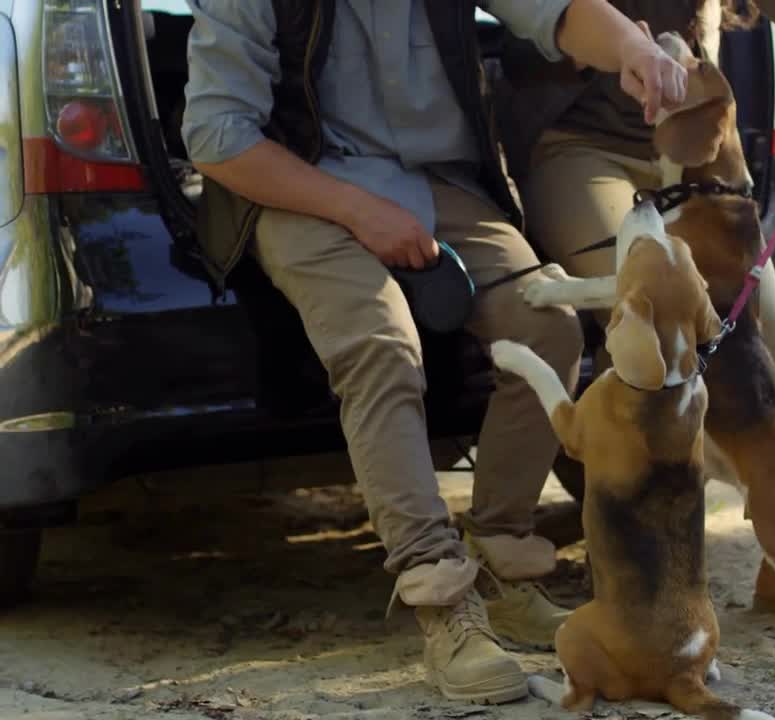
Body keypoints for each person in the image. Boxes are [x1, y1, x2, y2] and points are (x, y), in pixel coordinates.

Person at [181, 0, 688, 705]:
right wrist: (357, 210)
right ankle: (444, 603)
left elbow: (558, 11)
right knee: (381, 345)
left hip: (442, 183)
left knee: (546, 327)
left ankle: (502, 561)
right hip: (305, 187)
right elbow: (215, 135)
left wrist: (633, 47)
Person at [503, 0, 775, 628]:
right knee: (644, 316)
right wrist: (628, 47)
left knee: (773, 330)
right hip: (584, 145)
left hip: (696, 147)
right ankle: (639, 573)